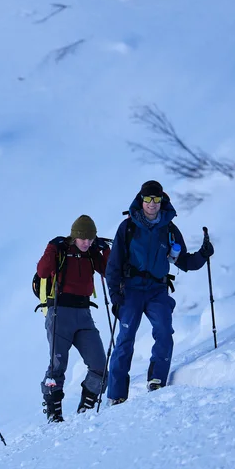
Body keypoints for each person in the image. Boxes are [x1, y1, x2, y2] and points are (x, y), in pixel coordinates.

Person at [105, 180, 213, 403]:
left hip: (157, 289)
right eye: (147, 199)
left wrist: (203, 254)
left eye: (156, 199)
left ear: (161, 200)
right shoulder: (127, 228)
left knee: (164, 331)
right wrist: (115, 296)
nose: (152, 204)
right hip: (131, 290)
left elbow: (183, 261)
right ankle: (116, 395)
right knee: (125, 340)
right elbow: (113, 265)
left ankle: (156, 380)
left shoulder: (169, 230)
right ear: (141, 200)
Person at [35, 214, 111, 422]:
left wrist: (105, 250)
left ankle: (86, 407)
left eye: (90, 238)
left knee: (99, 365)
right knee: (57, 366)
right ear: (74, 236)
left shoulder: (91, 253)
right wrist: (52, 247)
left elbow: (109, 271)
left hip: (84, 314)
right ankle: (54, 411)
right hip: (60, 313)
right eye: (83, 238)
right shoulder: (61, 250)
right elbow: (42, 271)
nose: (86, 242)